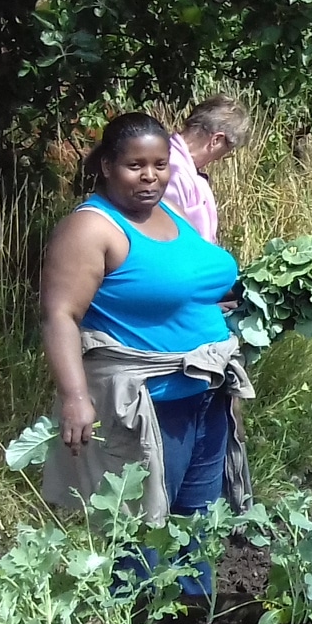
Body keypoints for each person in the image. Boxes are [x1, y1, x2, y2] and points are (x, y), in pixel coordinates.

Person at [39, 112, 254, 527]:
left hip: (207, 395)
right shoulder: (90, 228)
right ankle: (141, 595)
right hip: (148, 404)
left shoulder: (167, 214)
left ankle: (195, 596)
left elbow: (180, 282)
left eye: (159, 165)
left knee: (199, 523)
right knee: (143, 532)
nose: (150, 177)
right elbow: (59, 315)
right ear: (106, 166)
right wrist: (75, 398)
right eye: (135, 166)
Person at [165, 94, 252, 243]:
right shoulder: (174, 171)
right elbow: (170, 236)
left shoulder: (184, 167)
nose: (220, 158)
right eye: (227, 149)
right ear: (216, 140)